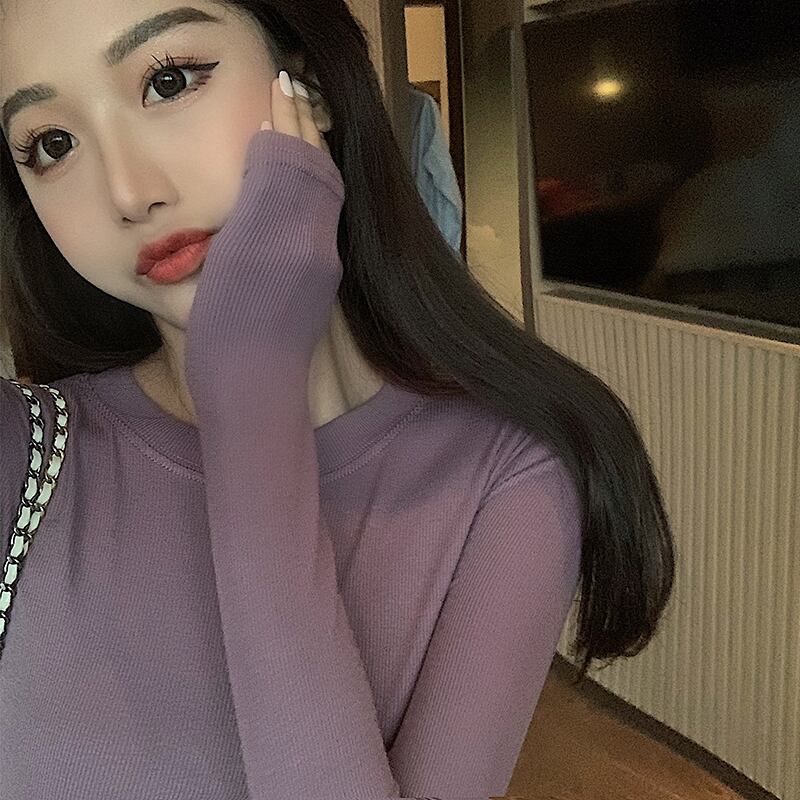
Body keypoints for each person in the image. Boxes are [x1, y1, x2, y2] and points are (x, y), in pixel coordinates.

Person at [0, 2, 675, 798]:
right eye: (52, 144)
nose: (128, 192)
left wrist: (251, 395)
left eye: (169, 80)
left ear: (310, 84)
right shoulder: (27, 454)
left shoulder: (507, 477)